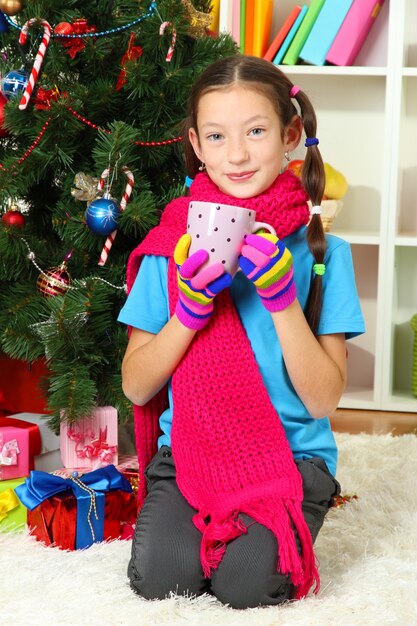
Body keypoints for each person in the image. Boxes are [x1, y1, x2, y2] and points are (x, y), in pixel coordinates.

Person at [118, 54, 365, 609]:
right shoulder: (170, 250)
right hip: (191, 449)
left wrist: (282, 303)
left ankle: (286, 516)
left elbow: (323, 397)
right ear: (196, 145)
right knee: (163, 580)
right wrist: (189, 310)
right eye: (217, 136)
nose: (236, 154)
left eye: (255, 131)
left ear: (290, 133)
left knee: (246, 585)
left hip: (289, 455)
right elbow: (136, 387)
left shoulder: (325, 254)